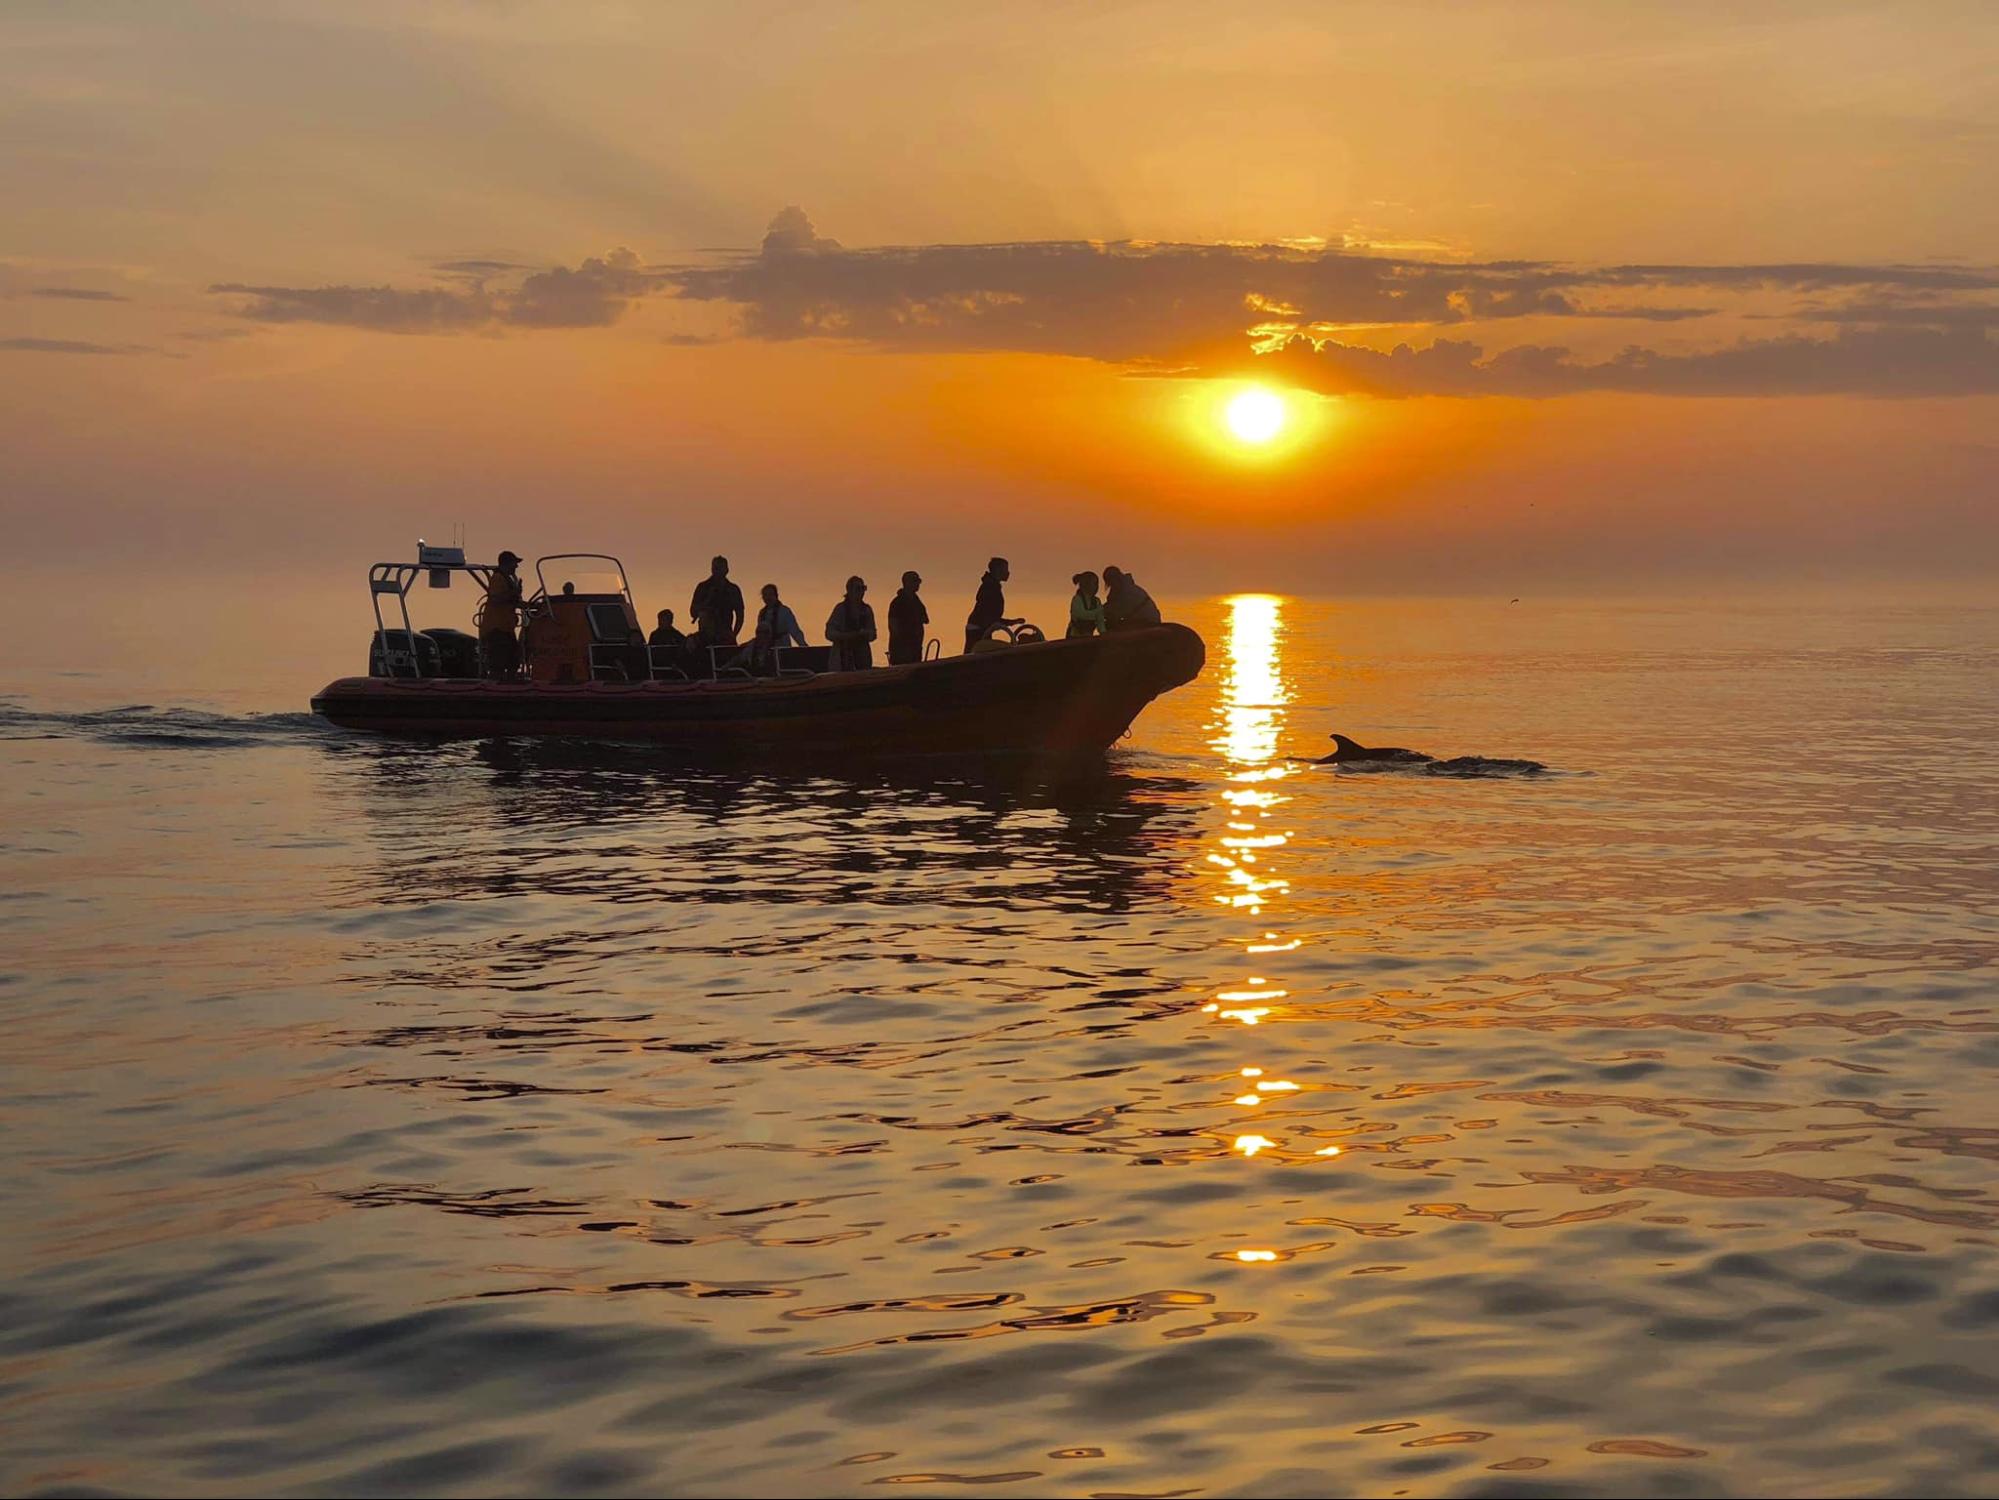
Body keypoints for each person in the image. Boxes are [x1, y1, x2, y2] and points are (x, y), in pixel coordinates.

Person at [733, 582, 805, 673]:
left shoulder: (785, 611)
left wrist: (803, 647)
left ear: (776, 595)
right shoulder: (762, 613)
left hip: (781, 646)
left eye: (770, 594)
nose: (768, 598)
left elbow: (794, 630)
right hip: (764, 648)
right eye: (765, 595)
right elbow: (760, 633)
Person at [480, 549, 525, 679]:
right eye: (514, 563)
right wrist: (514, 592)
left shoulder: (508, 580)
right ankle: (495, 688)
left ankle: (510, 685)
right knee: (498, 663)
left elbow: (510, 600)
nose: (516, 566)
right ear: (506, 563)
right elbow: (496, 598)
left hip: (506, 628)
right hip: (496, 629)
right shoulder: (498, 578)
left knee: (514, 661)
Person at [965, 556, 1022, 652]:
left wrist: (1010, 622)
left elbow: (991, 616)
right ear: (998, 570)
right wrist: (1009, 622)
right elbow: (987, 615)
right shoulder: (989, 587)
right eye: (1005, 569)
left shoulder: (991, 586)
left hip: (982, 628)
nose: (1008, 573)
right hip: (978, 629)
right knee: (975, 654)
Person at [824, 575, 878, 672]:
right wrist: (847, 636)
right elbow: (829, 633)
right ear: (849, 590)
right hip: (842, 659)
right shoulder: (840, 609)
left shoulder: (867, 610)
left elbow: (873, 634)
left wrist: (865, 634)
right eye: (858, 589)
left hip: (863, 659)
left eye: (863, 588)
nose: (861, 592)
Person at [690, 555, 745, 646]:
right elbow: (693, 612)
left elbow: (740, 615)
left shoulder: (733, 589)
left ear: (727, 570)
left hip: (725, 634)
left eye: (720, 568)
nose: (717, 571)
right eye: (715, 568)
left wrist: (733, 635)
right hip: (705, 636)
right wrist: (706, 603)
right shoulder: (703, 587)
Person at [887, 570, 928, 666]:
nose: (918, 584)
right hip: (901, 650)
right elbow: (893, 626)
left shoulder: (917, 602)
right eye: (915, 581)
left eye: (919, 581)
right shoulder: (896, 603)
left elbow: (925, 619)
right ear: (906, 583)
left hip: (916, 647)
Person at [1102, 565, 1162, 631]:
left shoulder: (1128, 591)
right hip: (1144, 620)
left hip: (1148, 622)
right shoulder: (1123, 589)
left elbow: (1114, 613)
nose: (1112, 585)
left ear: (1118, 578)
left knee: (1109, 625)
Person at [1067, 570, 1105, 639]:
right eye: (1094, 584)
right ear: (1086, 584)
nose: (1097, 587)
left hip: (1088, 637)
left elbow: (1100, 620)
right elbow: (1080, 615)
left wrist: (1103, 633)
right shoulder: (1077, 599)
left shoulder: (1097, 601)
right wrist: (1097, 612)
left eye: (1097, 584)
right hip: (1073, 637)